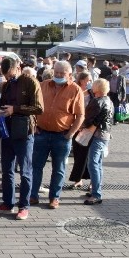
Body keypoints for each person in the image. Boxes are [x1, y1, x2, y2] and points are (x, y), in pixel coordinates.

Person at [0, 57, 43, 220]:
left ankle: (24, 206)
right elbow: (4, 105)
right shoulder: (6, 85)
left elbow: (39, 108)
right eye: (5, 76)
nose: (8, 78)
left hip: (24, 132)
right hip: (7, 131)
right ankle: (8, 203)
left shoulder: (31, 82)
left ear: (18, 68)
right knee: (7, 170)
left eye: (11, 75)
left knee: (25, 171)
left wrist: (15, 109)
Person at [31, 61, 84, 209]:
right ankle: (33, 195)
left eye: (62, 73)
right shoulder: (43, 85)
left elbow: (80, 115)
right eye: (57, 72)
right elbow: (34, 106)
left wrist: (70, 134)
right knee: (36, 166)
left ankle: (54, 197)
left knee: (59, 169)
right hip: (41, 133)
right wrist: (34, 125)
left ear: (69, 75)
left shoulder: (75, 90)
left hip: (62, 136)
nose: (59, 75)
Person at [81, 78, 114, 205]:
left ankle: (96, 194)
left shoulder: (97, 101)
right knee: (98, 164)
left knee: (93, 163)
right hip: (105, 134)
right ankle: (96, 190)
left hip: (97, 134)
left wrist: (82, 126)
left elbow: (89, 118)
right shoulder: (108, 100)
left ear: (97, 88)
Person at [67, 72, 92, 190]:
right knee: (78, 154)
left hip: (89, 128)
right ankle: (78, 179)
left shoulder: (92, 93)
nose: (90, 82)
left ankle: (93, 181)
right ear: (82, 80)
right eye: (88, 80)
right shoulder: (74, 91)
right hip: (76, 126)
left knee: (89, 155)